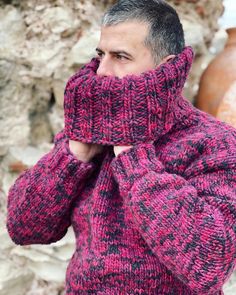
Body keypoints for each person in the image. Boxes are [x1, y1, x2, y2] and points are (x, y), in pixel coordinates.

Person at [7, 0, 236, 294]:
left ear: (165, 67)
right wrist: (72, 156)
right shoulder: (88, 133)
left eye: (121, 56)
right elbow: (24, 227)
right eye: (100, 54)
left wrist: (133, 158)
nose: (102, 71)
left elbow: (209, 263)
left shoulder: (215, 143)